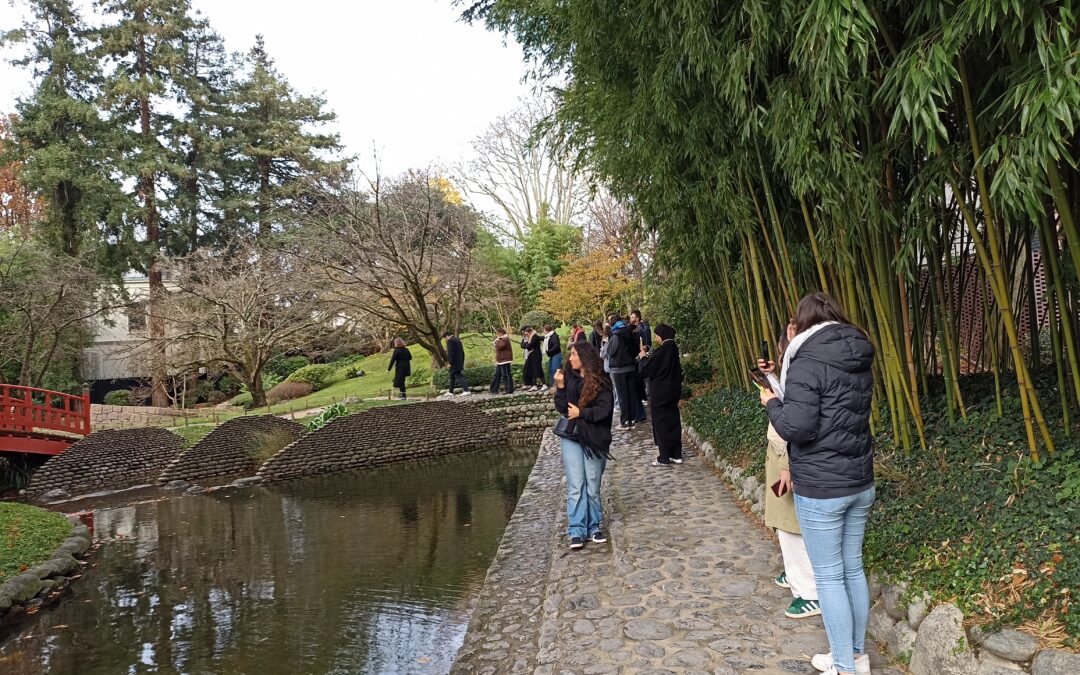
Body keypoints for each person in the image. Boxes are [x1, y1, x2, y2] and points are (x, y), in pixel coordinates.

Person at [759, 292, 875, 675]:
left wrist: (772, 403)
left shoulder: (807, 361)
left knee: (828, 576)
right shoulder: (858, 353)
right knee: (852, 569)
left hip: (823, 486)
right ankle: (855, 655)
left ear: (803, 324)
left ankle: (844, 665)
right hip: (859, 480)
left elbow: (798, 426)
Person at [759, 322, 821, 620]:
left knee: (790, 521)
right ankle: (797, 575)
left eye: (795, 326)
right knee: (787, 518)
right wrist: (771, 375)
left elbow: (795, 418)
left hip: (789, 449)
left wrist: (787, 464)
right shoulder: (803, 361)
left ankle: (808, 591)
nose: (789, 329)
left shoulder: (807, 365)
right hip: (783, 447)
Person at [553, 341, 614, 550]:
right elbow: (563, 410)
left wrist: (582, 413)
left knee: (592, 484)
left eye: (573, 354)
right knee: (576, 485)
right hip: (572, 436)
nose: (570, 359)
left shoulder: (602, 381)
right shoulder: (568, 377)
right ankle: (577, 529)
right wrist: (561, 388)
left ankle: (594, 526)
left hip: (595, 439)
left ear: (584, 357)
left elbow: (604, 411)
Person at [636, 323, 683, 466]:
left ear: (662, 335)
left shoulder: (663, 350)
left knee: (661, 423)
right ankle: (676, 454)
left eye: (657, 335)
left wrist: (643, 357)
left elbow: (647, 370)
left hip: (661, 393)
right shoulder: (672, 348)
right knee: (673, 421)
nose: (656, 338)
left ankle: (664, 456)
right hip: (673, 391)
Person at [607, 314, 646, 428]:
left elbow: (611, 351)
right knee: (631, 394)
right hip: (631, 366)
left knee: (622, 396)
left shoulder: (615, 335)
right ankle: (632, 419)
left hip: (619, 368)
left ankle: (624, 421)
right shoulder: (629, 332)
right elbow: (635, 348)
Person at [444, 330, 470, 396]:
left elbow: (451, 353)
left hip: (454, 362)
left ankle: (466, 390)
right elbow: (462, 352)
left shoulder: (450, 341)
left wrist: (450, 362)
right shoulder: (457, 340)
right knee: (452, 376)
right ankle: (450, 391)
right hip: (459, 361)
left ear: (447, 336)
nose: (445, 340)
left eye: (445, 338)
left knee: (458, 375)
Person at [490, 328, 515, 395]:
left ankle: (509, 389)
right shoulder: (501, 339)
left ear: (501, 333)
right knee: (497, 374)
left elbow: (499, 347)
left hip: (505, 360)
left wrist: (497, 341)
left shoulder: (505, 339)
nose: (497, 334)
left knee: (506, 375)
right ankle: (494, 389)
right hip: (500, 360)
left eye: (497, 333)